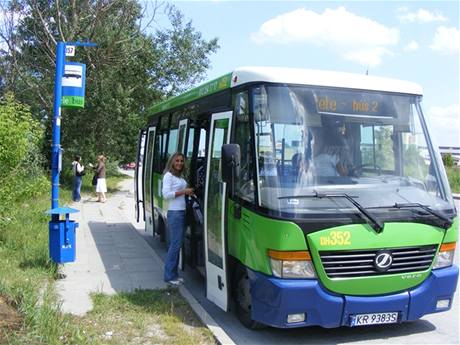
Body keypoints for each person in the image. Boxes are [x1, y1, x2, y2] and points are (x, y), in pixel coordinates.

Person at [162, 152, 194, 286]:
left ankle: (174, 274)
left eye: (181, 161)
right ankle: (169, 276)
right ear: (172, 162)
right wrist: (184, 192)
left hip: (181, 212)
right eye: (177, 161)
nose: (179, 163)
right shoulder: (168, 176)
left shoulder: (179, 177)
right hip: (175, 214)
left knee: (177, 245)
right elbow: (166, 194)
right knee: (175, 246)